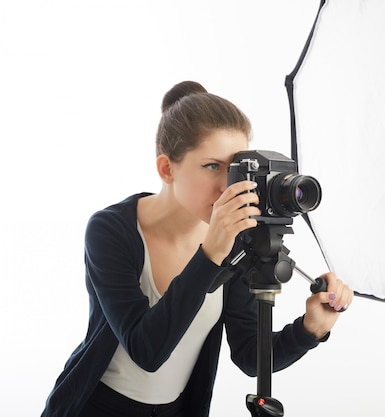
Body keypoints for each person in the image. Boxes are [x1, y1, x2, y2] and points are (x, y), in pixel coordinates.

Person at [41, 81, 354, 417]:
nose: (226, 185)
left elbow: (250, 355)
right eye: (211, 166)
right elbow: (147, 351)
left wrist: (310, 329)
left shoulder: (238, 240)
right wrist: (210, 254)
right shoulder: (111, 231)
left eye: (235, 167)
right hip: (96, 406)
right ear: (166, 169)